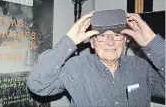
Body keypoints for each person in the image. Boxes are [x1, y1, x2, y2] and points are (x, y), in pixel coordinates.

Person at [27, 12, 165, 107]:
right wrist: (68, 42)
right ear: (92, 43)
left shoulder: (142, 68)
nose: (110, 42)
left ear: (125, 41)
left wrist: (153, 43)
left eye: (117, 35)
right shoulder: (76, 68)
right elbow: (38, 85)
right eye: (102, 36)